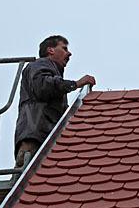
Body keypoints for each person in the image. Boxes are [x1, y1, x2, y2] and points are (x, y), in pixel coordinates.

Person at [14, 35, 96, 166]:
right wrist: (75, 84)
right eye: (64, 48)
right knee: (26, 174)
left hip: (42, 135)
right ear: (50, 50)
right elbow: (42, 86)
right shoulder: (41, 64)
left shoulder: (53, 73)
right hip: (36, 136)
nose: (69, 53)